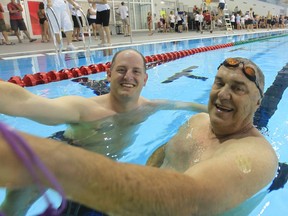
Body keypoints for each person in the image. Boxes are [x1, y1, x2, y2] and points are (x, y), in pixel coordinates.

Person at [0, 57, 279, 215]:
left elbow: (190, 199)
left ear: (258, 102)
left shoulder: (257, 156)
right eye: (219, 83)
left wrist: (54, 162)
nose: (223, 94)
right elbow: (161, 154)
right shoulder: (198, 120)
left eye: (239, 88)